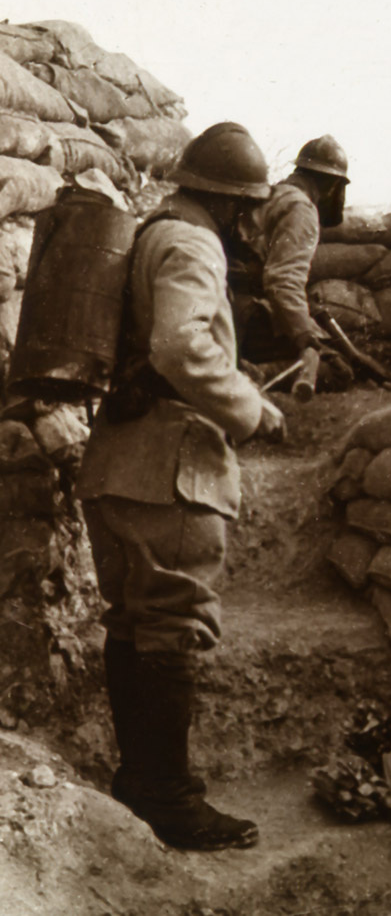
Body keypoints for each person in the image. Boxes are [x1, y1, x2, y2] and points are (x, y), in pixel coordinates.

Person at [75, 122, 287, 851]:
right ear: (235, 206)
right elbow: (179, 344)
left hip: (120, 461)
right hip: (171, 469)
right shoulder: (194, 243)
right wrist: (251, 408)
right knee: (172, 623)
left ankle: (141, 781)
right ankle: (169, 797)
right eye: (252, 209)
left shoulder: (151, 233)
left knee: (135, 622)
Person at [232, 134, 351, 364]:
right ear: (332, 185)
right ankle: (253, 377)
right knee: (334, 368)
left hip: (229, 307)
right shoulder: (301, 209)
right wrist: (306, 336)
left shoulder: (273, 194)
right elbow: (282, 281)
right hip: (246, 316)